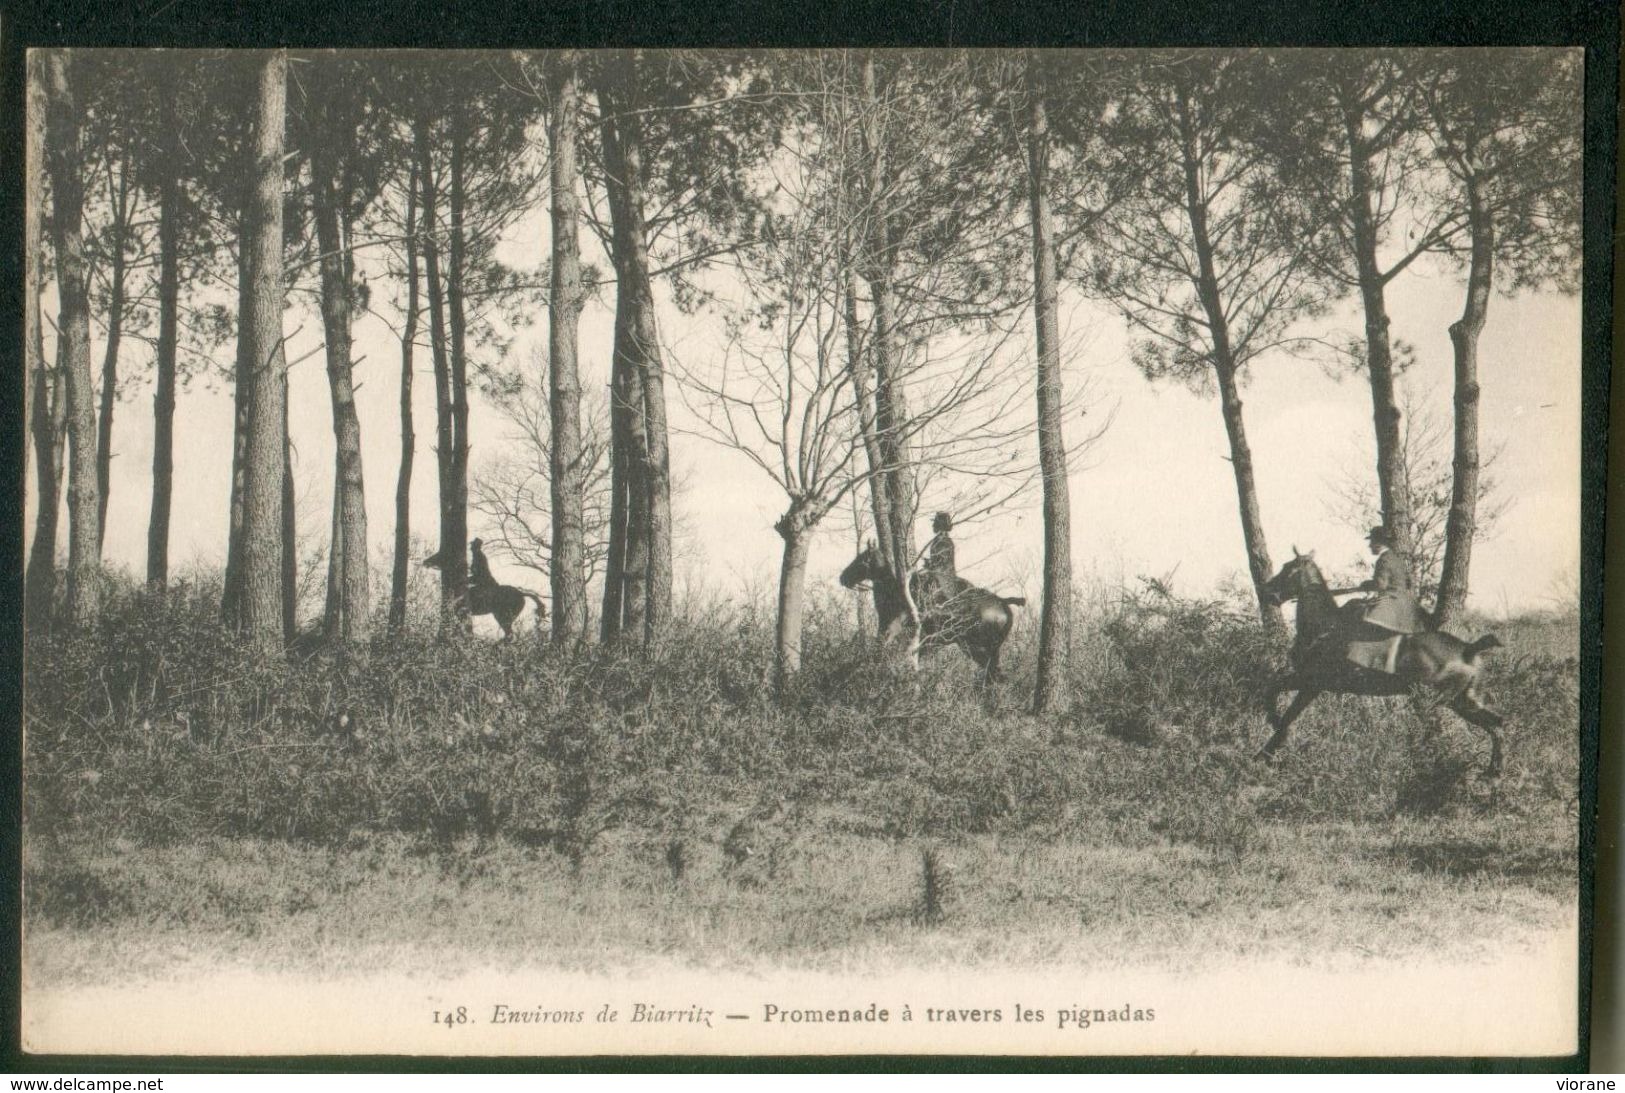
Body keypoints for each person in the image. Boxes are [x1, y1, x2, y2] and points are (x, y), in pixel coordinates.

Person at [1354, 525, 1426, 671]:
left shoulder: (1384, 560)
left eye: (1372, 542)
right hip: (1407, 603)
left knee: (1358, 611)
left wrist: (1366, 584)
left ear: (1379, 543)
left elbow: (1381, 584)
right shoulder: (1396, 559)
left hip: (1392, 600)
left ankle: (1360, 659)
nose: (1369, 546)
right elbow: (1408, 582)